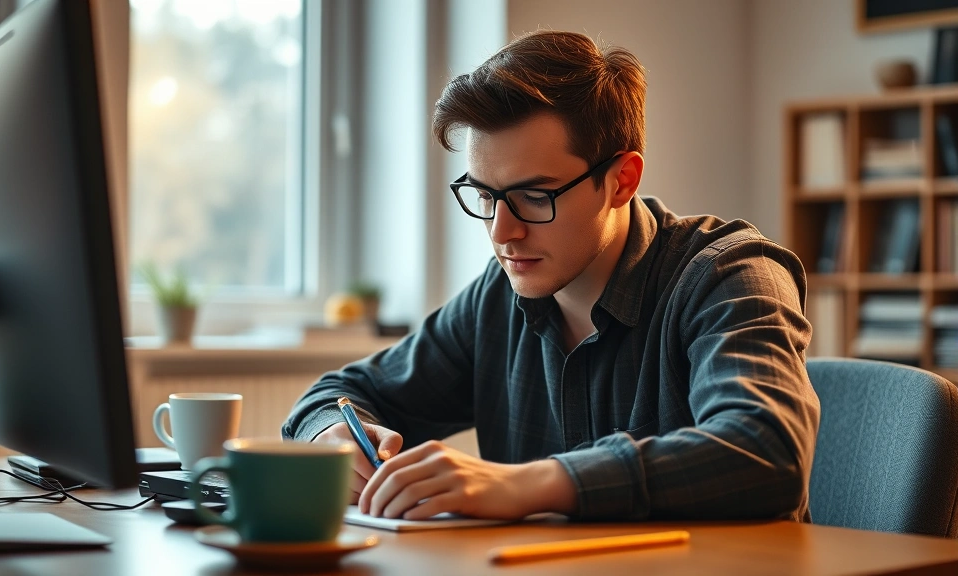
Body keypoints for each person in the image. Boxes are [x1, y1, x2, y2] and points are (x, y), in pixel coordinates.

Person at [282, 30, 820, 522]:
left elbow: (765, 449)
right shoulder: (496, 298)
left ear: (621, 180)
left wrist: (533, 483)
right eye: (486, 197)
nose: (502, 233)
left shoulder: (731, 276)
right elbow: (341, 391)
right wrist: (333, 435)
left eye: (534, 197)